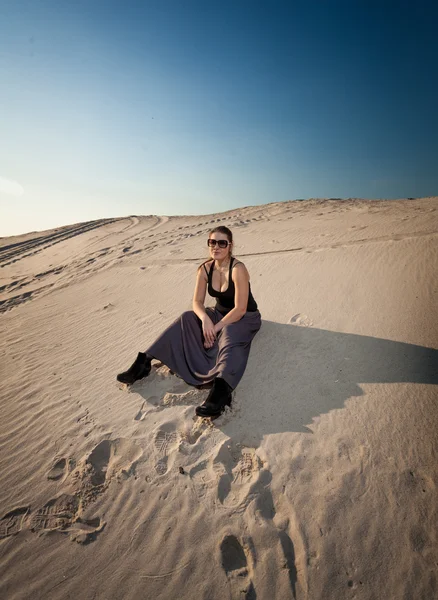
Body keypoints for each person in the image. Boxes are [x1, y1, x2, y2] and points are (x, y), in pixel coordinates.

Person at [117, 226, 261, 418]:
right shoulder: (204, 269)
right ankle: (144, 363)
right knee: (186, 317)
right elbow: (197, 302)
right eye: (212, 242)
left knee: (229, 334)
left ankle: (221, 391)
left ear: (230, 245)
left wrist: (216, 328)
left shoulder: (238, 269)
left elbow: (240, 308)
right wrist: (205, 321)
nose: (216, 247)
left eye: (221, 243)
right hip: (218, 314)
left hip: (244, 318)